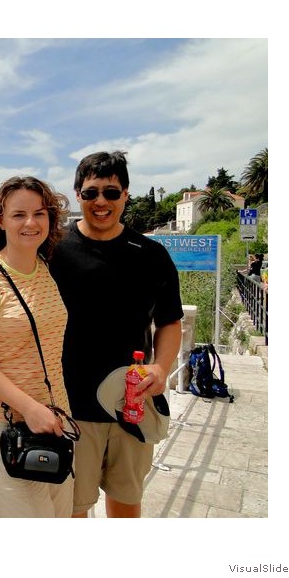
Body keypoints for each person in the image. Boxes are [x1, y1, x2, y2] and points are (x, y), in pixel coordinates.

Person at [49, 151, 183, 518]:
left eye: (111, 192)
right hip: (71, 408)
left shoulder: (152, 255)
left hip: (132, 404)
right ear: (78, 195)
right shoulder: (54, 252)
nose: (101, 202)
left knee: (126, 504)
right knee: (71, 509)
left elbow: (169, 321)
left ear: (125, 194)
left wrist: (160, 368)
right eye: (91, 193)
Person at [0, 176, 73, 517]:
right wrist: (31, 408)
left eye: (39, 213)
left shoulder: (46, 270)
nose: (30, 223)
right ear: (0, 220)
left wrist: (49, 411)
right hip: (10, 426)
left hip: (57, 419)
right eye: (19, 214)